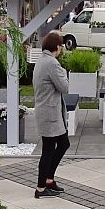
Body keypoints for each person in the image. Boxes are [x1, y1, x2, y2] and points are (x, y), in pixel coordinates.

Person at [32, 31, 70, 198]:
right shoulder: (52, 63)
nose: (61, 49)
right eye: (61, 46)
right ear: (57, 46)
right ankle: (41, 188)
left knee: (63, 144)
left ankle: (48, 180)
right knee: (48, 150)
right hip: (49, 114)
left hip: (47, 111)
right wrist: (64, 72)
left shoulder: (42, 60)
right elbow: (64, 87)